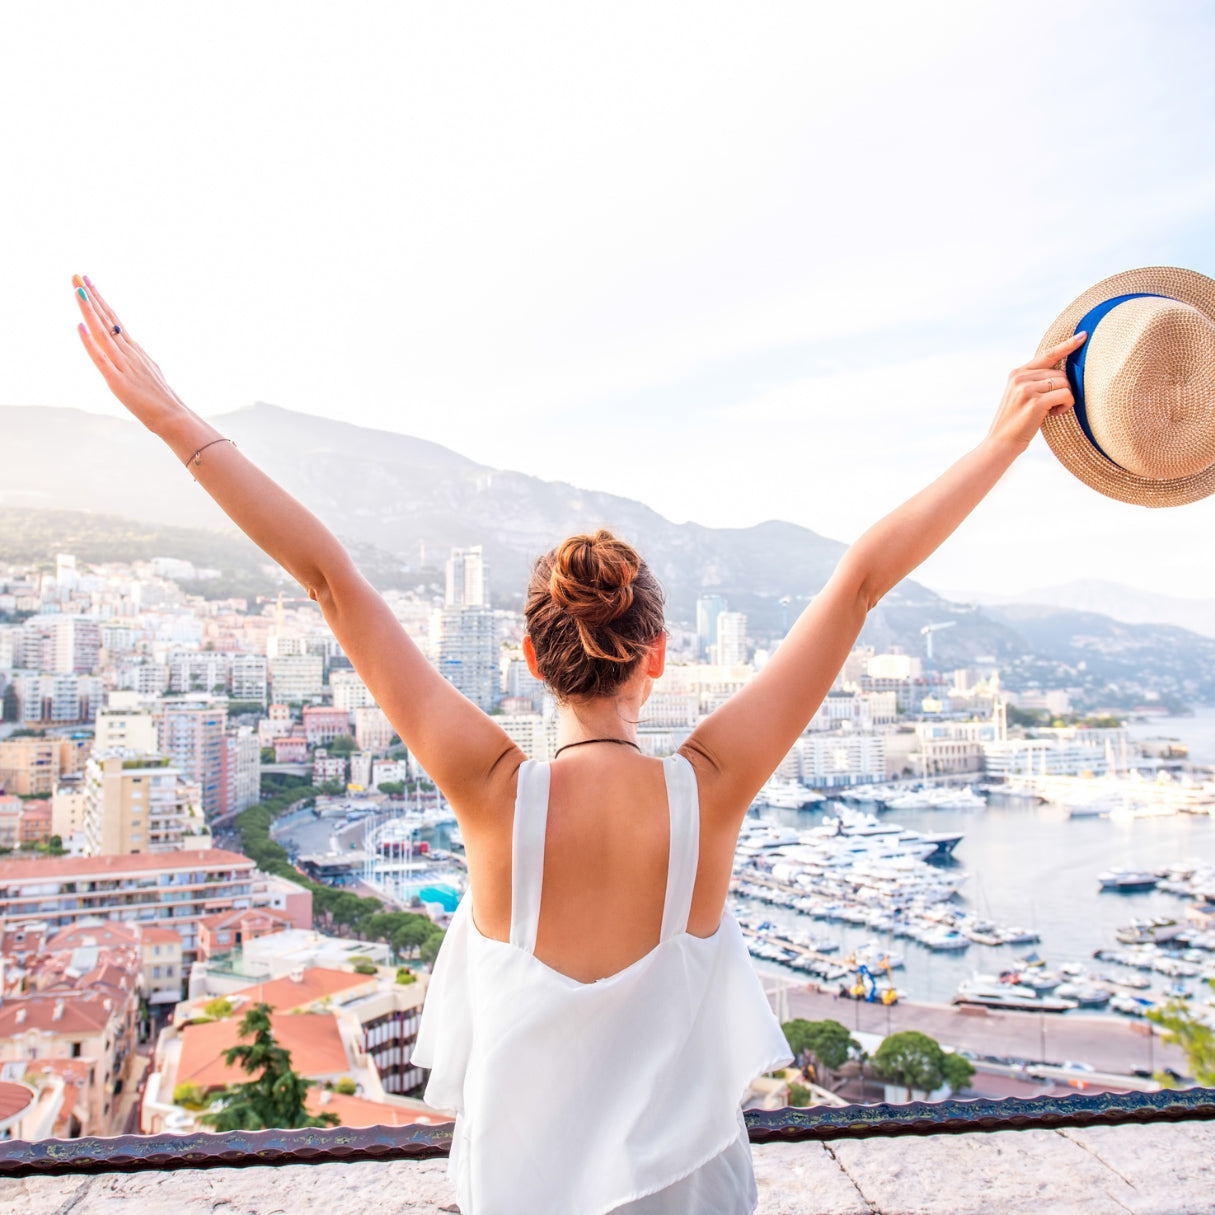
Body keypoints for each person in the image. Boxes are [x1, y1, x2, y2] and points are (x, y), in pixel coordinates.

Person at [71, 274, 1084, 1213]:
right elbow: (860, 581)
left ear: (528, 658)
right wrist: (1002, 442)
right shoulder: (710, 788)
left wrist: (170, 417)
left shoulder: (491, 789)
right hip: (693, 1190)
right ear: (657, 658)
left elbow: (329, 579)